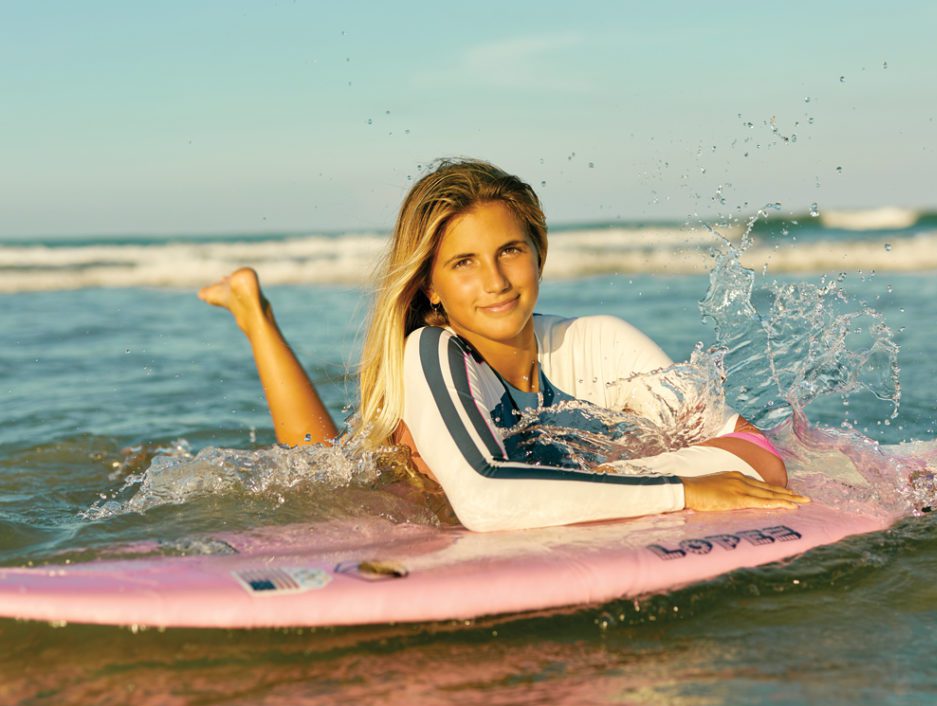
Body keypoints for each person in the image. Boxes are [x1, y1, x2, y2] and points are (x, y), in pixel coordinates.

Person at [199, 159, 808, 532]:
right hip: (397, 497)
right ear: (429, 285)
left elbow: (752, 449)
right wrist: (682, 491)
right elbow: (487, 500)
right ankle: (256, 318)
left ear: (538, 254)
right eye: (463, 262)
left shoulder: (597, 343)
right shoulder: (433, 354)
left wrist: (603, 486)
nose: (494, 281)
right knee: (318, 460)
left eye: (510, 251)